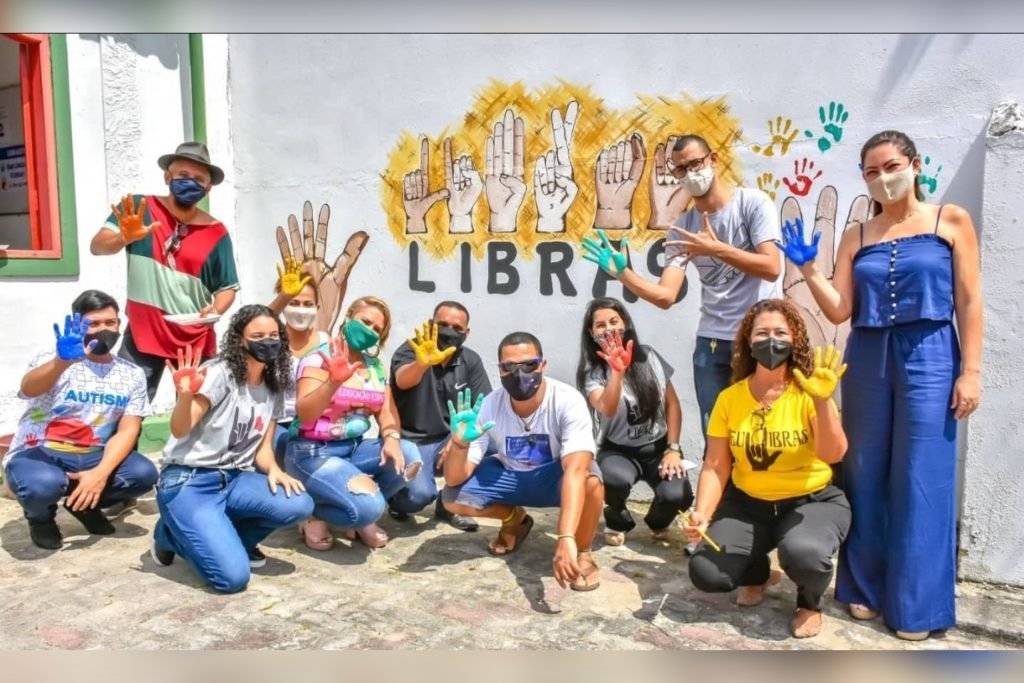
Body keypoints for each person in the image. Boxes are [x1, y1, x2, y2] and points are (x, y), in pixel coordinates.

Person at [778, 130, 982, 640]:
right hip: (867, 355)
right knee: (863, 471)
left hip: (931, 351)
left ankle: (917, 607)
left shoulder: (950, 220)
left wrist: (971, 371)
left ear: (913, 165)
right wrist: (806, 266)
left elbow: (970, 300)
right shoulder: (859, 235)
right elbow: (841, 309)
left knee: (922, 474)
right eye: (870, 172)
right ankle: (862, 589)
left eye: (889, 166)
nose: (881, 178)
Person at [582, 134, 782, 456]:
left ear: (713, 160)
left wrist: (716, 249)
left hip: (759, 340)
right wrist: (624, 274)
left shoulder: (752, 204)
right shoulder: (681, 228)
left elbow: (772, 266)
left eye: (696, 164)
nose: (690, 174)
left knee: (767, 430)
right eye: (680, 169)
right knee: (717, 435)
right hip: (712, 344)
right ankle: (718, 506)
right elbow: (666, 296)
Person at [683, 299, 851, 639]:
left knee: (803, 552)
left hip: (812, 501)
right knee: (707, 571)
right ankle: (757, 574)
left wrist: (822, 400)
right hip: (749, 503)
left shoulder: (810, 391)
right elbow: (716, 465)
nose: (770, 340)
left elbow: (834, 453)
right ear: (747, 341)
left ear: (795, 341)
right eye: (761, 333)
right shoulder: (730, 398)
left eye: (780, 333)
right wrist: (701, 513)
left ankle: (808, 602)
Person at [150, 304, 313, 594]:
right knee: (232, 579)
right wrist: (185, 397)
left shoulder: (274, 384)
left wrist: (275, 470)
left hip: (233, 478)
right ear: (240, 339)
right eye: (258, 335)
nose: (268, 341)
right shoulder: (219, 374)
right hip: (189, 480)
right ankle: (169, 534)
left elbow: (262, 446)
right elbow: (179, 429)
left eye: (274, 335)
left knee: (299, 503)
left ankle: (229, 540)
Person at [441, 331, 605, 591]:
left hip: (555, 477)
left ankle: (583, 551)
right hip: (512, 477)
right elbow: (453, 479)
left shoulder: (567, 400)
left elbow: (575, 469)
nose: (520, 374)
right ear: (500, 370)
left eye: (529, 364)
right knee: (452, 498)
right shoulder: (489, 405)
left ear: (543, 364)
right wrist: (459, 444)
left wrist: (565, 537)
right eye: (509, 367)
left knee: (592, 483)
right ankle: (513, 519)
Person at [3, 290, 158, 549]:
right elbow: (28, 389)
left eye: (110, 323)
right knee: (42, 486)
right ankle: (40, 518)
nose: (103, 330)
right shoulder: (53, 358)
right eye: (93, 324)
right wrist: (61, 363)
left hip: (92, 452)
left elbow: (128, 430)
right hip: (42, 450)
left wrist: (100, 473)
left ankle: (84, 504)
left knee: (143, 474)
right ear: (77, 324)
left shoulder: (131, 374)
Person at [90, 142, 239, 401]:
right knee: (127, 407)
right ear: (167, 177)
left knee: (200, 411)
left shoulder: (216, 232)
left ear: (207, 188)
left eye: (198, 179)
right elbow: (98, 247)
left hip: (195, 335)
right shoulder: (139, 209)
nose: (190, 182)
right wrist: (123, 237)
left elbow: (227, 287)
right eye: (183, 175)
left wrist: (215, 310)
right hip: (143, 332)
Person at [288, 296, 424, 551]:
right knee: (369, 508)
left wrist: (392, 439)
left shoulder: (374, 366)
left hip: (353, 448)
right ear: (349, 316)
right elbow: (304, 413)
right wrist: (333, 382)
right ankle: (314, 512)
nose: (370, 330)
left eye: (377, 329)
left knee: (409, 456)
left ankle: (359, 510)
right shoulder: (318, 358)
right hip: (312, 451)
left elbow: (386, 411)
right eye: (365, 322)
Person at [575, 297, 693, 546]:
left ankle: (658, 521)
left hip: (658, 447)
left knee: (678, 495)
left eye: (614, 321)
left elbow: (672, 404)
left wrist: (673, 449)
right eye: (600, 325)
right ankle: (618, 519)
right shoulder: (592, 373)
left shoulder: (648, 357)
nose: (608, 329)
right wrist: (616, 371)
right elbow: (606, 408)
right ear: (591, 332)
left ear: (625, 323)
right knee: (612, 479)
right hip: (619, 450)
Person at [387, 301, 493, 532]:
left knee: (492, 444)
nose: (449, 331)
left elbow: (484, 406)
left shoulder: (470, 360)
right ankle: (395, 498)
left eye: (457, 327)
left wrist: (457, 442)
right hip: (412, 441)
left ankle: (450, 502)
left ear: (467, 332)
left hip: (448, 437)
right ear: (431, 324)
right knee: (418, 497)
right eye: (443, 324)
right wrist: (422, 363)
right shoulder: (412, 349)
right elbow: (403, 380)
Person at [266, 258, 328, 466]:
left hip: (319, 424)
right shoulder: (269, 342)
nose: (301, 309)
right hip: (279, 425)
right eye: (293, 303)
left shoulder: (329, 344)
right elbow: (246, 326)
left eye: (307, 304)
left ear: (317, 307)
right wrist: (283, 297)